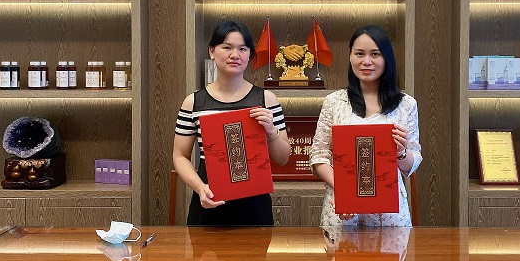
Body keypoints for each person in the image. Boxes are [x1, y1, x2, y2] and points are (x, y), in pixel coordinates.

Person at [174, 20, 290, 226]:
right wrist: (200, 188)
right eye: (227, 47)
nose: (235, 55)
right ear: (212, 51)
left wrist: (271, 130)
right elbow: (180, 155)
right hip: (208, 202)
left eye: (242, 49)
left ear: (250, 55)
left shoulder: (266, 100)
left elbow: (283, 158)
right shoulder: (194, 102)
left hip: (255, 208)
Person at [310, 25, 422, 227]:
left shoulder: (406, 104)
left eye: (375, 54)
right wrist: (345, 191)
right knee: (342, 249)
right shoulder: (334, 102)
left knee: (391, 250)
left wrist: (401, 153)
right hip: (342, 210)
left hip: (390, 216)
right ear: (350, 57)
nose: (366, 61)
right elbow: (319, 156)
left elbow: (411, 165)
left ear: (387, 58)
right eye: (359, 54)